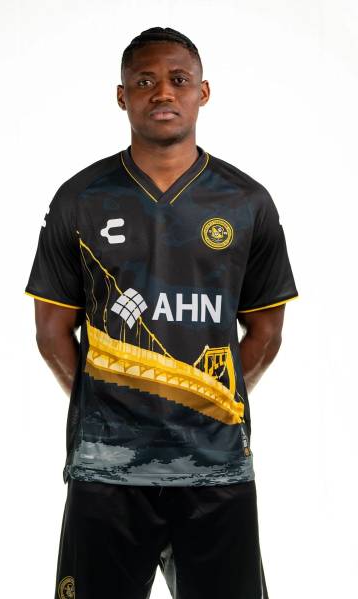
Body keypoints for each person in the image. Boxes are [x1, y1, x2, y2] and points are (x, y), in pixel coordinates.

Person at [25, 26, 298, 599]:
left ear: (204, 91)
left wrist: (200, 400)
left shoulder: (247, 201)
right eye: (145, 81)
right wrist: (112, 399)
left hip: (217, 468)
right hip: (106, 474)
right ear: (121, 95)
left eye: (179, 80)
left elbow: (267, 331)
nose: (163, 93)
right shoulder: (80, 198)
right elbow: (52, 331)